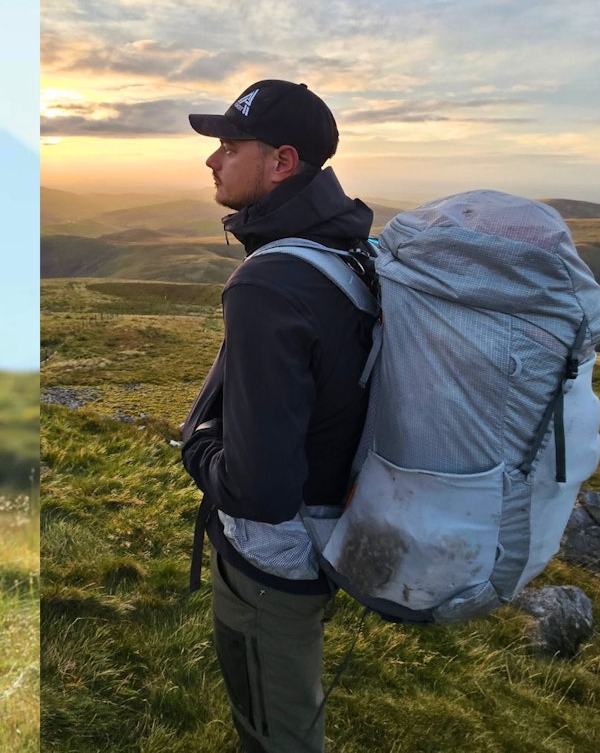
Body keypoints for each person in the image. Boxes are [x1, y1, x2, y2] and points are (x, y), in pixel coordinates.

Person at [179, 81, 376, 752]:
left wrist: (195, 447)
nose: (212, 161)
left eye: (229, 147)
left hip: (274, 560)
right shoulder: (348, 249)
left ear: (282, 162)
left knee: (276, 730)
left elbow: (259, 492)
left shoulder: (270, 282)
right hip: (331, 528)